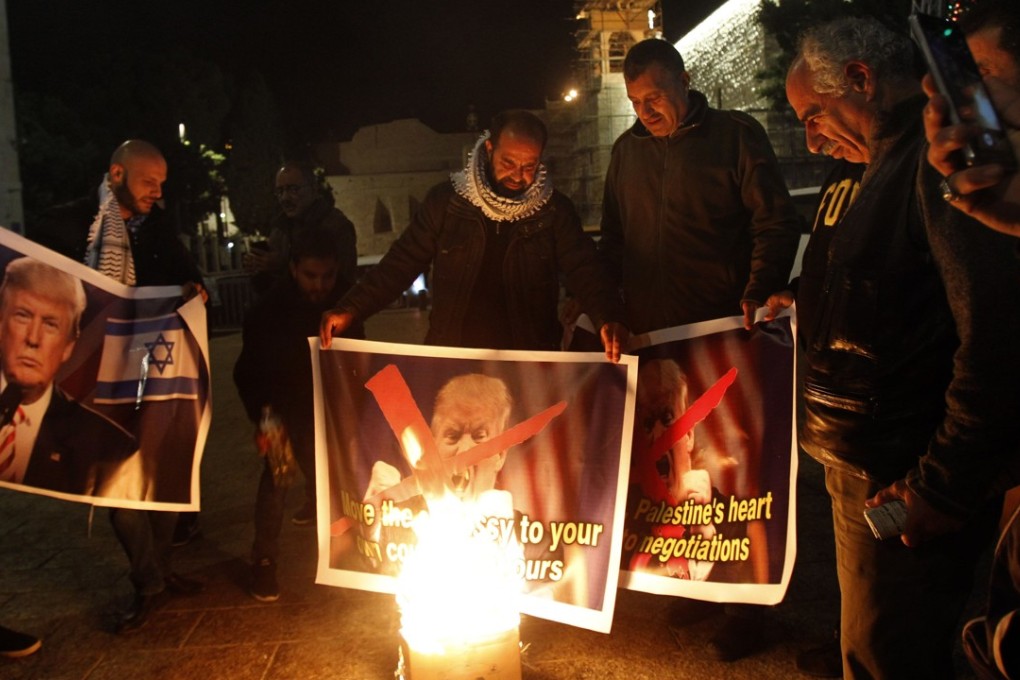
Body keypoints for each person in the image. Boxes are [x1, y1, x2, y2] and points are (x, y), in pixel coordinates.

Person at [777, 18, 1020, 678]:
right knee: (872, 638)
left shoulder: (936, 161)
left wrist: (940, 486)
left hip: (901, 473)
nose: (811, 137)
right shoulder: (871, 164)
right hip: (867, 458)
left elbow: (994, 335)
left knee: (888, 654)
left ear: (860, 79)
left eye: (815, 114)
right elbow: (879, 280)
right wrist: (802, 297)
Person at [598, 37, 802, 661]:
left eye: (654, 96)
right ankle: (690, 585)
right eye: (635, 101)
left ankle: (747, 608)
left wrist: (760, 287)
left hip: (724, 336)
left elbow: (776, 220)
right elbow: (612, 240)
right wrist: (608, 311)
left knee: (735, 469)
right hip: (657, 339)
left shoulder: (737, 137)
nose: (645, 112)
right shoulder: (624, 153)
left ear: (684, 81)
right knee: (671, 471)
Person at [28, 139, 207, 634]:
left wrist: (195, 287)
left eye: (162, 183)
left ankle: (164, 571)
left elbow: (186, 273)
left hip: (154, 372)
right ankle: (148, 581)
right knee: (113, 484)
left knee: (165, 471)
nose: (158, 193)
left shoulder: (157, 227)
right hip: (93, 378)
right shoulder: (67, 223)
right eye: (150, 182)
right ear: (116, 174)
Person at [320, 109, 626, 362]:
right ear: (490, 149)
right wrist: (351, 308)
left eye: (529, 166)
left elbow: (586, 269)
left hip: (528, 363)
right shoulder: (446, 203)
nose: (518, 176)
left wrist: (607, 317)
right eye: (508, 163)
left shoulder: (554, 212)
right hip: (453, 357)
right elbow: (400, 264)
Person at [234, 226, 363, 602]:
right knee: (277, 482)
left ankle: (346, 558)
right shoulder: (266, 311)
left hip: (325, 410)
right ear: (293, 268)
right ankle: (264, 561)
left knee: (338, 484)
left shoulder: (346, 303)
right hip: (278, 410)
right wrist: (263, 419)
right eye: (310, 276)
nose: (319, 286)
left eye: (327, 276)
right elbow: (247, 372)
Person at [0, 258, 137, 494]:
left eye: (50, 324)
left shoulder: (107, 445)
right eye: (22, 316)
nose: (33, 338)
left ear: (68, 347)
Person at [245, 161, 358, 305]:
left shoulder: (336, 226)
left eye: (293, 189)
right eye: (280, 191)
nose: (285, 198)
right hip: (290, 316)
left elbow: (343, 279)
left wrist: (282, 265)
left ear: (313, 189)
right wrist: (258, 266)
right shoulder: (280, 229)